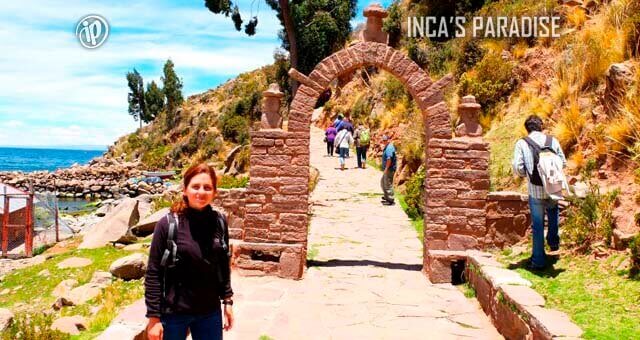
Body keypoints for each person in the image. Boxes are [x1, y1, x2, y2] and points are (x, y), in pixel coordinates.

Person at [145, 163, 234, 340]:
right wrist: (154, 318)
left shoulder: (220, 222)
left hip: (210, 312)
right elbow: (154, 272)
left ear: (214, 192)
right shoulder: (168, 224)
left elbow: (223, 265)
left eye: (207, 187)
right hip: (174, 314)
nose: (201, 192)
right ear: (185, 190)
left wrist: (228, 301)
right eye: (195, 186)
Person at [512, 115, 566, 270]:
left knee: (537, 225)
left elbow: (518, 167)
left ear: (527, 128)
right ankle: (553, 242)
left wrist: (527, 174)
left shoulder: (522, 143)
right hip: (553, 186)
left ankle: (538, 261)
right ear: (541, 126)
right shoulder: (552, 141)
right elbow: (563, 162)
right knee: (553, 210)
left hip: (535, 190)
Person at [380, 135, 397, 205]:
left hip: (389, 169)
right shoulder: (388, 146)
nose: (384, 141)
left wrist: (386, 169)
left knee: (387, 184)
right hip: (388, 169)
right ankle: (386, 196)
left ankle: (390, 199)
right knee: (383, 183)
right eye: (383, 140)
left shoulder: (389, 148)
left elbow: (389, 159)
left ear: (388, 140)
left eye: (385, 140)